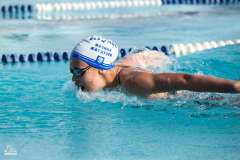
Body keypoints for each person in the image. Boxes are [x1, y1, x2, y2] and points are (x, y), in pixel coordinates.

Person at [70, 35, 240, 98]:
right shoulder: (119, 66)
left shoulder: (134, 82)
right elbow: (146, 55)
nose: (73, 79)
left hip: (201, 101)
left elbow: (185, 80)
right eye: (72, 71)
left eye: (78, 72)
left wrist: (234, 86)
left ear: (101, 67)